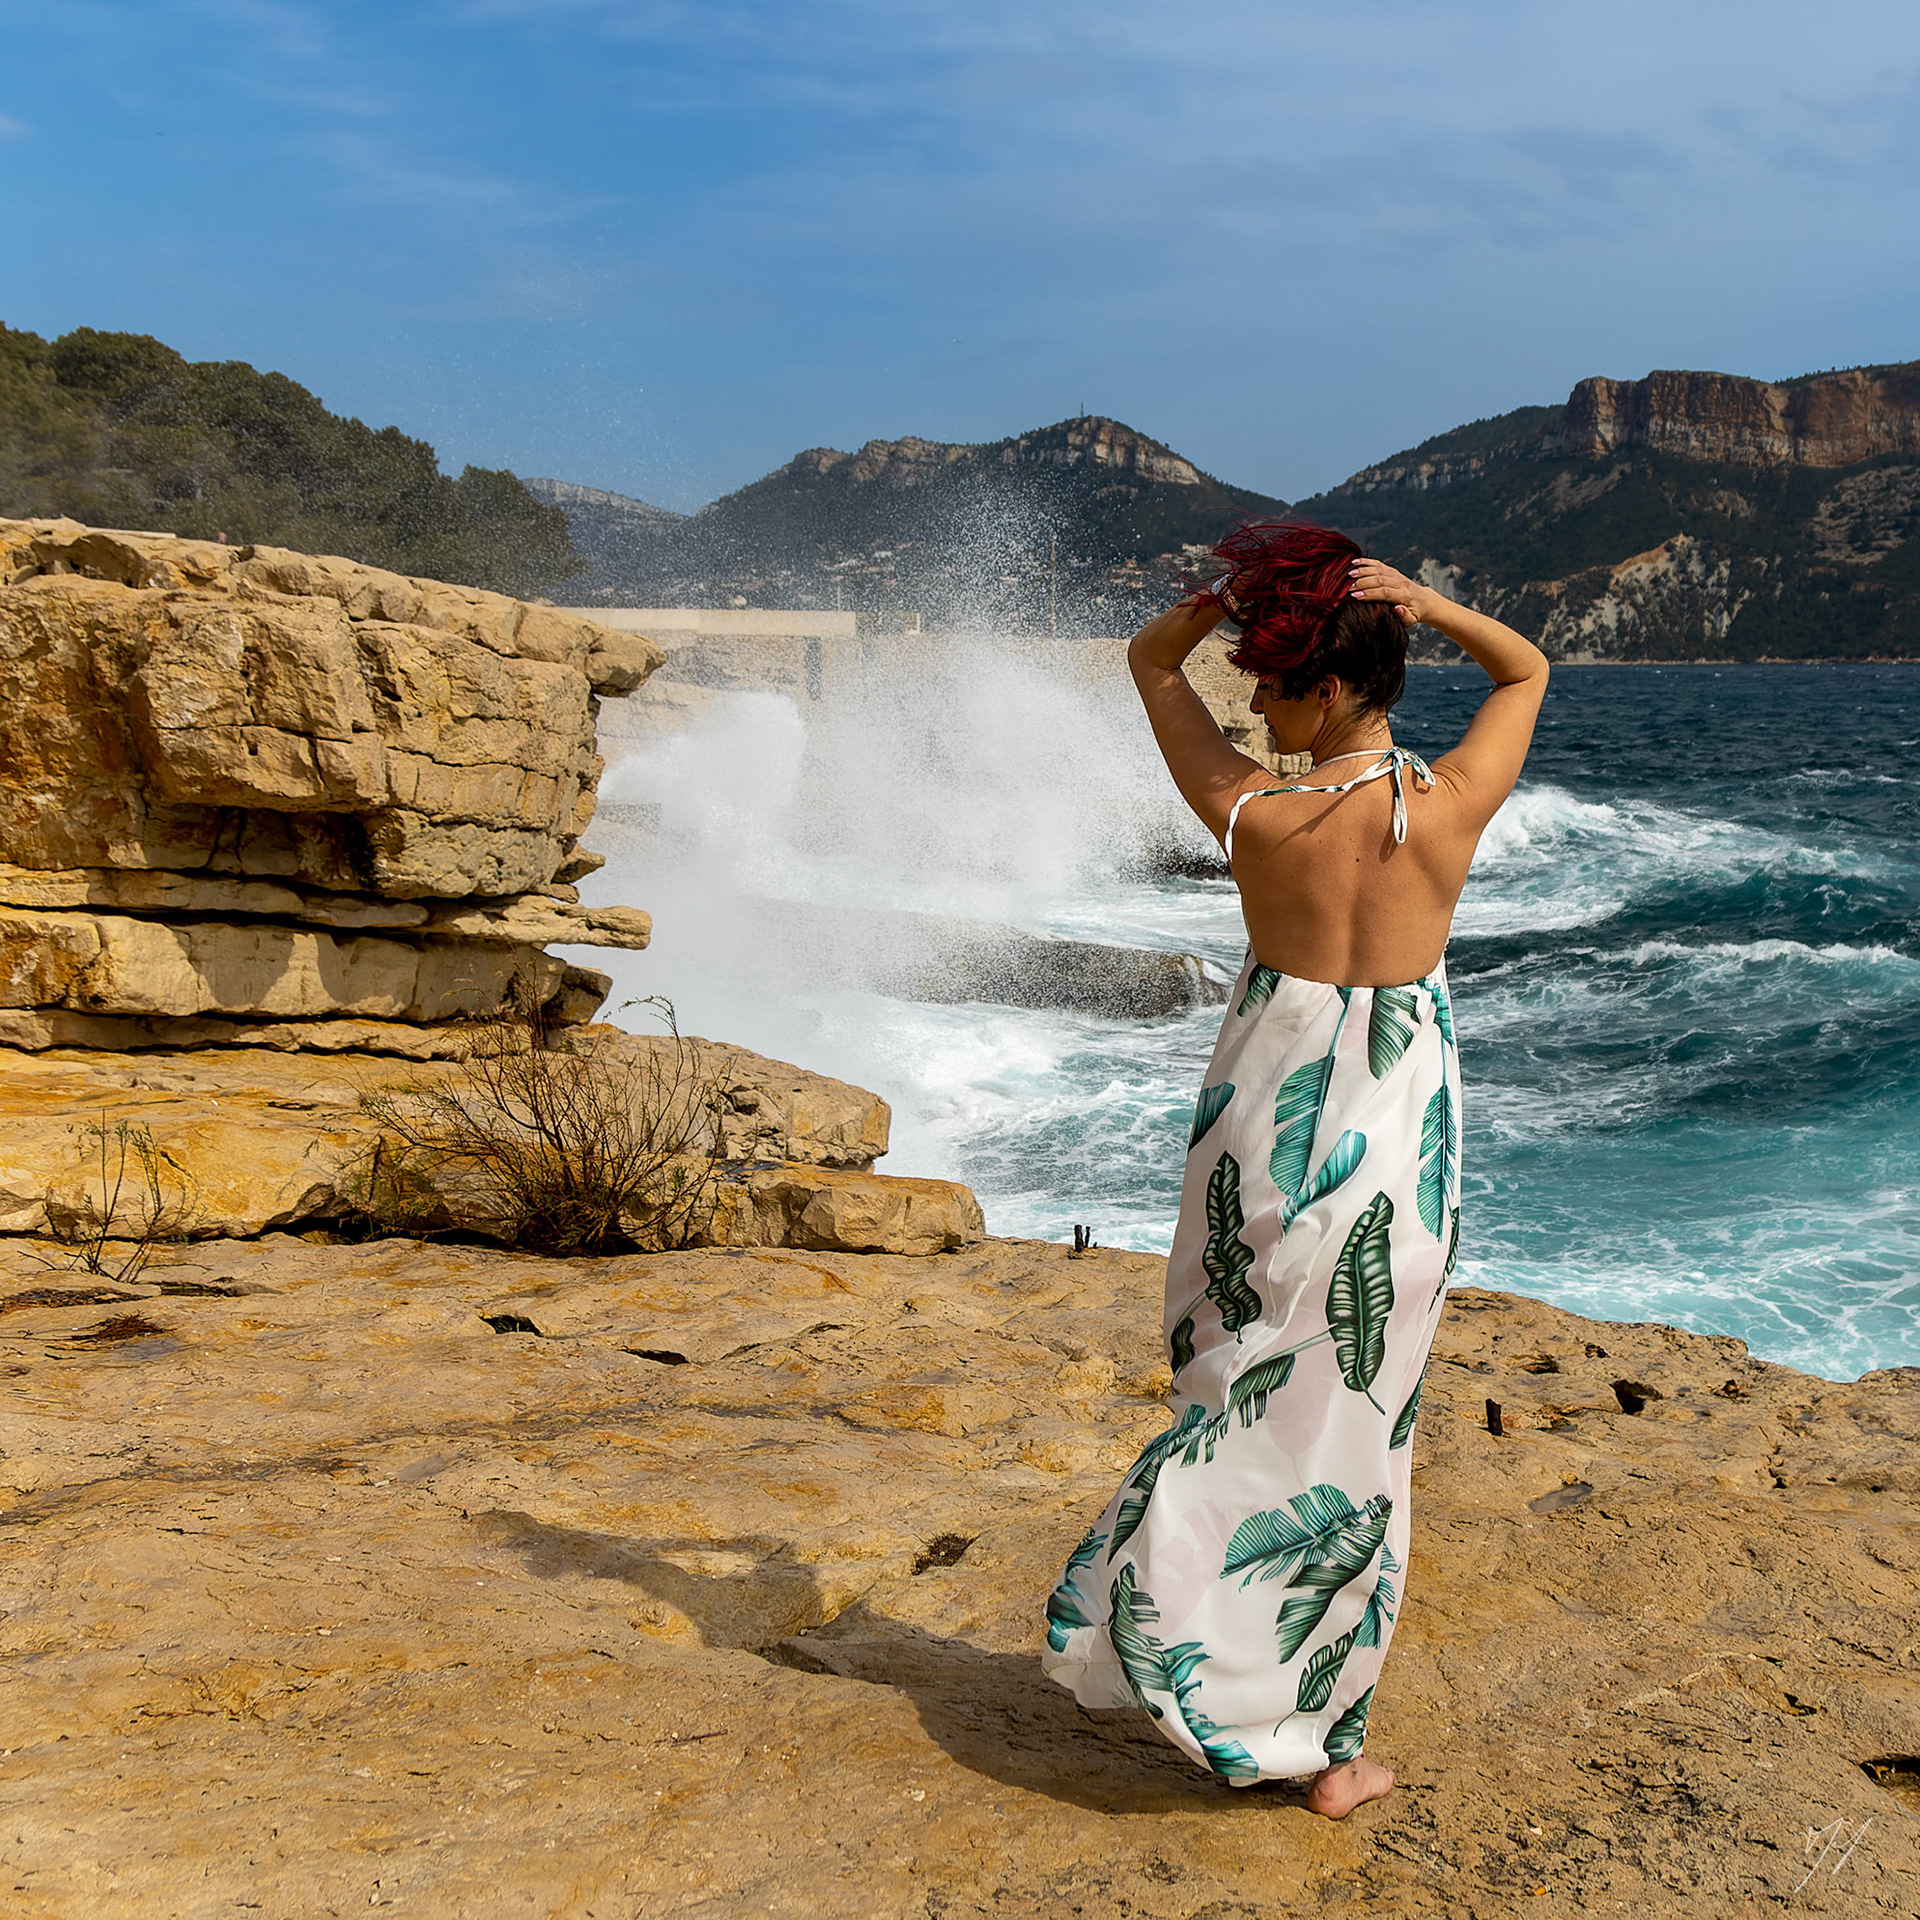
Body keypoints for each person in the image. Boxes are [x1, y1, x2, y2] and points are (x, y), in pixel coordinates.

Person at [1038, 519, 1549, 1818]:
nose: (1256, 710)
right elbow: (1526, 670)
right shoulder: (1448, 808)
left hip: (1264, 1131)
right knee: (1358, 1427)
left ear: (1323, 685)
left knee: (1236, 1379)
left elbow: (1151, 665)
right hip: (1397, 1149)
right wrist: (1424, 601)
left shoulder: (1259, 818)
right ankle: (1326, 1744)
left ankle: (1184, 1627)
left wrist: (1222, 600)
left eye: (1271, 683)